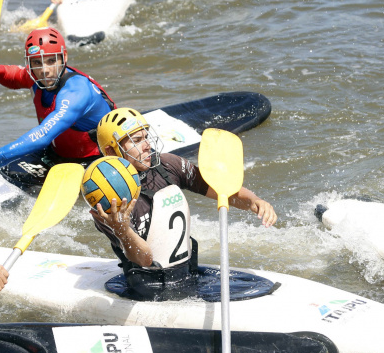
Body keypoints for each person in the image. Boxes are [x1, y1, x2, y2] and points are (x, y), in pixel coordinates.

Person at [88, 108, 277, 298]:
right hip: (148, 287)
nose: (146, 145)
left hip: (187, 273)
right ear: (111, 151)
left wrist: (254, 201)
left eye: (146, 137)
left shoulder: (168, 165)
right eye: (136, 141)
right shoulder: (107, 200)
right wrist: (122, 230)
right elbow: (144, 260)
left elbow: (221, 189)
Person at [0, 27, 116, 174]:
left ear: (64, 57)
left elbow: (44, 134)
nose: (44, 70)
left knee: (0, 158)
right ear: (30, 64)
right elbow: (15, 76)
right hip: (56, 153)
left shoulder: (76, 92)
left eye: (51, 61)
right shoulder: (37, 76)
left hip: (96, 160)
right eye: (37, 62)